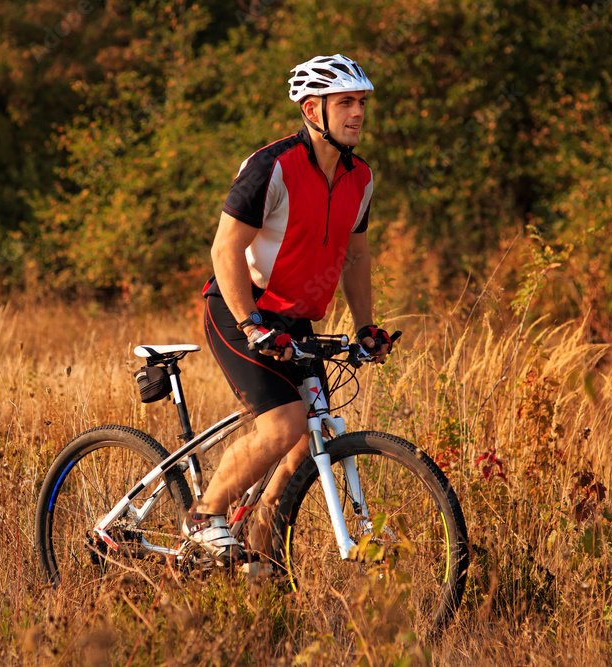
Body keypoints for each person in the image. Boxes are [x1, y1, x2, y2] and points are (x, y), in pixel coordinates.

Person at [182, 54, 394, 566]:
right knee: (283, 426)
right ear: (312, 109)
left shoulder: (360, 177)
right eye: (345, 102)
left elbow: (357, 254)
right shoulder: (271, 166)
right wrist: (252, 325)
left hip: (295, 319)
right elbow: (225, 250)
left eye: (361, 102)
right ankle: (204, 516)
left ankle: (262, 546)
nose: (358, 113)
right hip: (241, 309)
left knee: (311, 435)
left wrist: (366, 326)